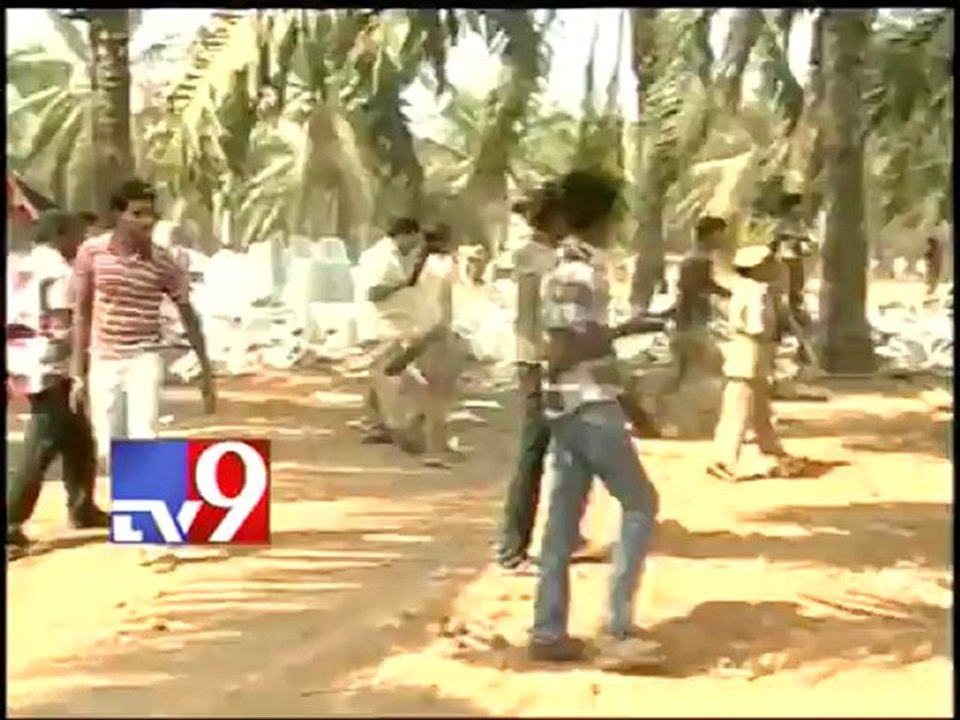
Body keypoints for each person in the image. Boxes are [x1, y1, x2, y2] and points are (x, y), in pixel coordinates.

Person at [530, 170, 663, 670]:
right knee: (640, 505)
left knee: (563, 522)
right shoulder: (577, 272)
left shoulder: (571, 267)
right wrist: (623, 330)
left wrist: (631, 405)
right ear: (605, 217)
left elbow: (573, 351)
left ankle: (548, 630)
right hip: (585, 405)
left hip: (571, 406)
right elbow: (565, 349)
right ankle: (617, 629)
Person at [70, 179, 216, 467]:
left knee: (143, 437)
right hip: (104, 358)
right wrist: (77, 373)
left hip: (144, 356)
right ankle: (121, 504)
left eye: (150, 214)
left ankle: (139, 508)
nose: (145, 222)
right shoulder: (92, 253)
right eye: (136, 214)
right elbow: (82, 313)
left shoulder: (163, 261)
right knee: (108, 445)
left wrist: (206, 369)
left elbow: (188, 314)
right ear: (116, 215)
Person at [7, 211, 110, 554]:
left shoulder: (18, 265)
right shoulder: (60, 273)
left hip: (23, 359)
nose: (81, 242)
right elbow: (64, 324)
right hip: (52, 365)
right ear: (61, 234)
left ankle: (82, 507)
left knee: (79, 437)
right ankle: (10, 521)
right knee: (41, 444)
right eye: (78, 234)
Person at [706, 245, 803, 481]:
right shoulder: (758, 291)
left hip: (743, 354)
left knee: (758, 410)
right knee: (739, 410)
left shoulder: (742, 288)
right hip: (750, 353)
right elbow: (756, 325)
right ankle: (725, 460)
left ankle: (774, 453)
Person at [355, 217, 426, 448]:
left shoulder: (396, 256)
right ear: (404, 234)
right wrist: (403, 284)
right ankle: (397, 428)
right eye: (413, 239)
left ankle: (375, 425)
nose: (415, 245)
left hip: (395, 325)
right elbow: (373, 292)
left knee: (379, 379)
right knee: (392, 381)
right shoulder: (381, 258)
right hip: (384, 326)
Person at [673, 215, 731, 384]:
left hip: (691, 313)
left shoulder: (697, 255)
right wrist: (726, 293)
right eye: (721, 233)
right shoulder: (699, 258)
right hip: (692, 314)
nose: (723, 238)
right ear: (712, 234)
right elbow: (698, 286)